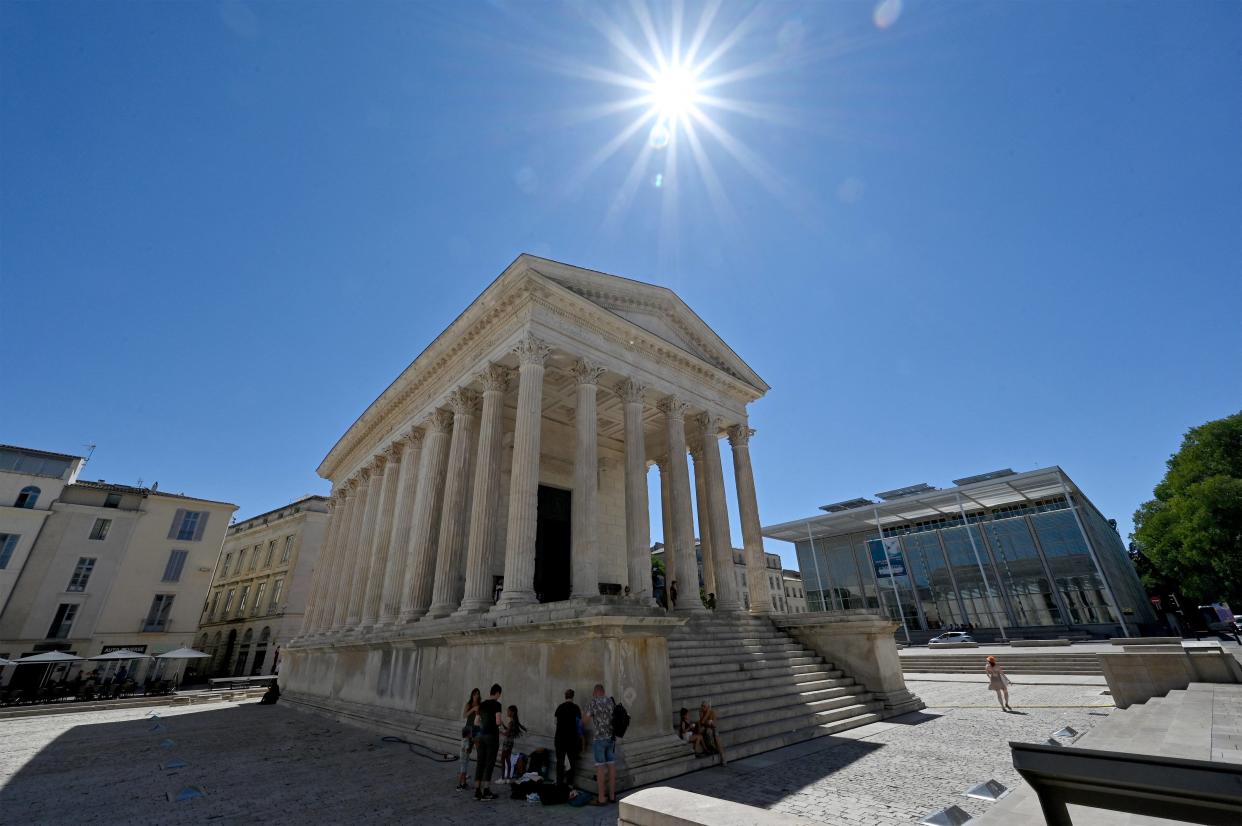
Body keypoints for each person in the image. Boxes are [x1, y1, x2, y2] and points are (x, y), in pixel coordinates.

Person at [582, 683, 617, 805]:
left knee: (600, 769)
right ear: (603, 691)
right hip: (611, 740)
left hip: (599, 740)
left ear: (595, 692)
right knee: (612, 767)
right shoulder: (610, 701)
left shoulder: (594, 702)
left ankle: (601, 798)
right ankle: (612, 796)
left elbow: (585, 721)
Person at [474, 684, 503, 801]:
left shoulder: (482, 704)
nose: (499, 696)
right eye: (499, 694)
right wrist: (500, 724)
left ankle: (477, 791)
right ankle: (486, 790)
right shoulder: (497, 704)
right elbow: (498, 722)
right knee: (489, 763)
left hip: (481, 735)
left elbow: (476, 722)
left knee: (480, 762)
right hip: (492, 736)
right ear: (497, 693)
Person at [554, 688, 583, 785]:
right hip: (572, 739)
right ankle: (569, 784)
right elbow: (579, 725)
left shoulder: (559, 707)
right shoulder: (576, 708)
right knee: (572, 762)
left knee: (560, 762)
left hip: (560, 739)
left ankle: (559, 782)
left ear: (565, 696)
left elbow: (555, 722)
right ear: (573, 697)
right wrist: (582, 738)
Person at [456, 688, 481, 791]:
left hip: (477, 730)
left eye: (478, 694)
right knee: (465, 754)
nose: (476, 696)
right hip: (467, 730)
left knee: (480, 753)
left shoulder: (481, 704)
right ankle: (462, 781)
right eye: (475, 694)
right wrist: (472, 709)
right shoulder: (469, 704)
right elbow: (464, 715)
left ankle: (477, 781)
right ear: (472, 695)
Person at [499, 704, 527, 780]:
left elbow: (507, 733)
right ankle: (507, 777)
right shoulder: (514, 722)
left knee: (503, 759)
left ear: (512, 712)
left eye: (508, 711)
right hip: (510, 743)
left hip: (507, 743)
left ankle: (503, 778)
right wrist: (503, 725)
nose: (507, 712)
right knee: (507, 759)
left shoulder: (511, 722)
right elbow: (509, 730)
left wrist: (499, 732)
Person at [697, 700, 727, 766]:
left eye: (704, 706)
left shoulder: (712, 712)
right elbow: (702, 723)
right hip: (706, 729)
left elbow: (714, 725)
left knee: (716, 736)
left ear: (708, 707)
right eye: (702, 706)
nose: (702, 708)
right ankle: (714, 749)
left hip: (713, 728)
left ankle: (723, 757)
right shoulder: (702, 712)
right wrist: (706, 713)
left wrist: (708, 721)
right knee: (708, 731)